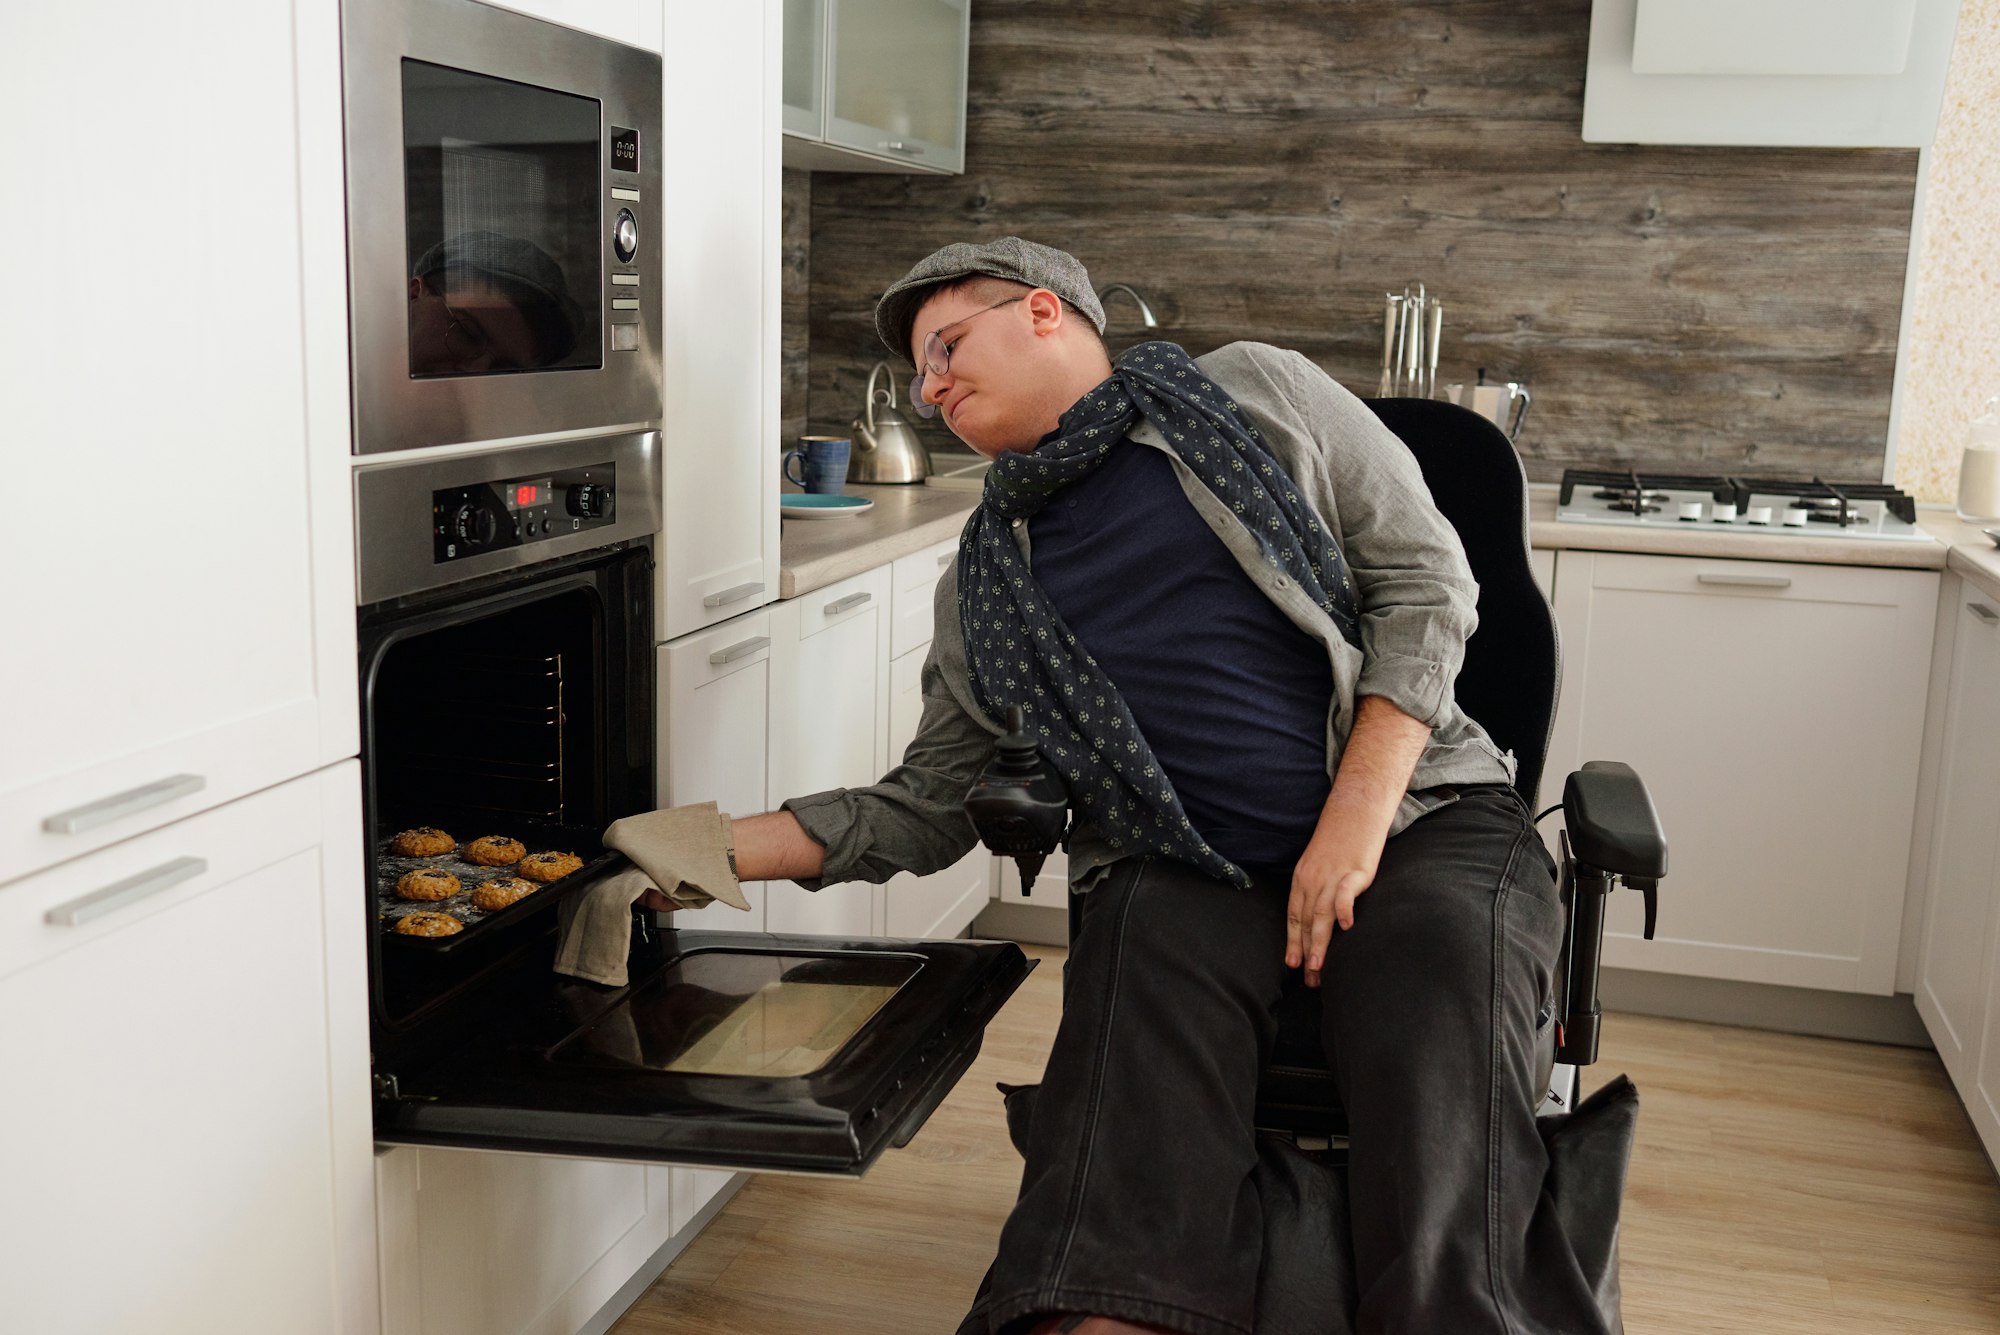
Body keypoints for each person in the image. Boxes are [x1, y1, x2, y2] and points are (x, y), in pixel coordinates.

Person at [649, 237, 1607, 1335]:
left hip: (1417, 813)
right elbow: (925, 806)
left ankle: (1461, 1313)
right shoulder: (987, 577)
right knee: (1136, 955)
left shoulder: (1255, 390)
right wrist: (698, 852)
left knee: (1434, 961)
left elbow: (1426, 585)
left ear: (1046, 313)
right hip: (1188, 856)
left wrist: (1352, 821)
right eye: (921, 375)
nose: (932, 388)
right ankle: (1108, 1316)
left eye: (947, 345)